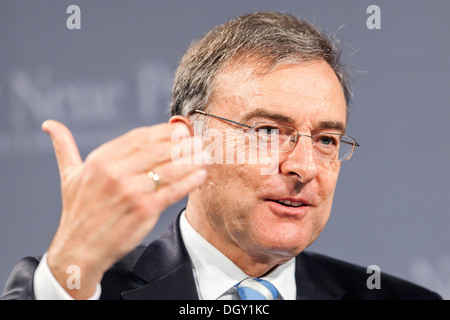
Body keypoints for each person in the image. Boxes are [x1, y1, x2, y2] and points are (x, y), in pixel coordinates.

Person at [1, 11, 442, 300]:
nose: (304, 167)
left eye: (326, 139)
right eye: (269, 131)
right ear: (187, 142)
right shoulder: (82, 287)